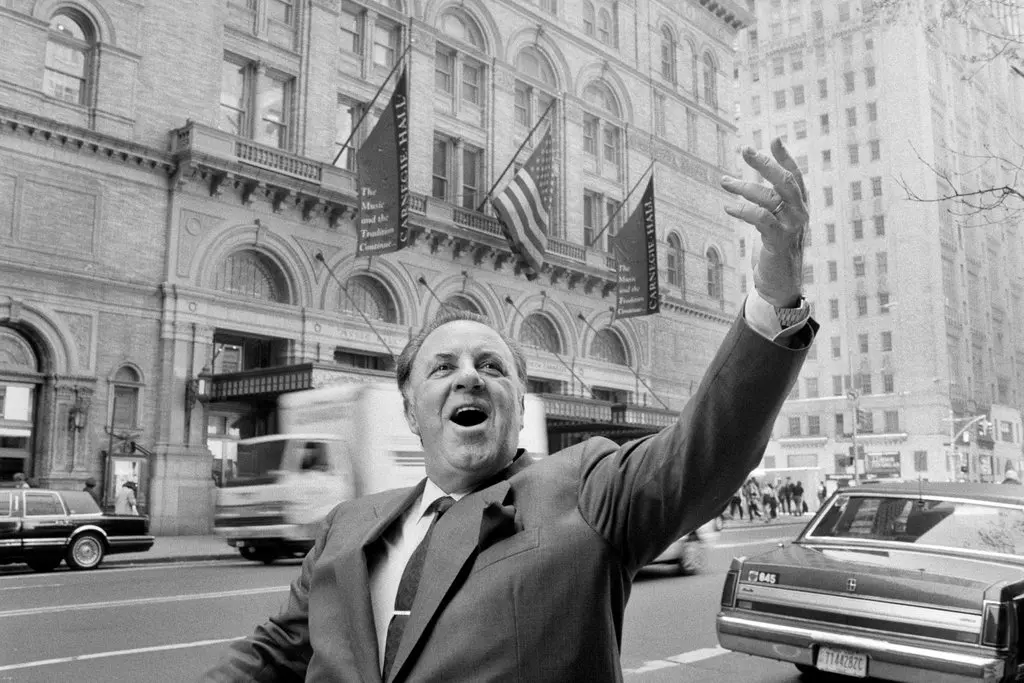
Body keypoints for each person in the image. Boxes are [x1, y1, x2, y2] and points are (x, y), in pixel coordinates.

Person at [202, 138, 816, 682]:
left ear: (519, 408)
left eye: (492, 367)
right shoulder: (346, 527)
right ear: (411, 411)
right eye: (442, 367)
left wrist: (774, 297)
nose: (469, 376)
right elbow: (273, 654)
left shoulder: (587, 491)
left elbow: (705, 451)